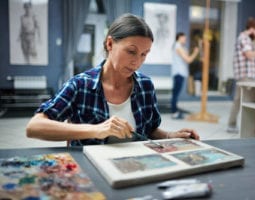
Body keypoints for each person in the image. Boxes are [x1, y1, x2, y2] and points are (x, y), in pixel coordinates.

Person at [26, 13, 200, 146]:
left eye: (143, 55)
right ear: (110, 44)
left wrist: (170, 136)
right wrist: (96, 129)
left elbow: (150, 130)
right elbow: (34, 127)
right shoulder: (80, 85)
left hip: (137, 169)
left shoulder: (145, 85)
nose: (137, 62)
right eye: (131, 51)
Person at [171, 32, 199, 119]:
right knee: (175, 94)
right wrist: (195, 52)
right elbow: (188, 60)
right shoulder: (178, 46)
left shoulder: (180, 46)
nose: (185, 39)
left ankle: (175, 111)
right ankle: (174, 112)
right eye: (184, 38)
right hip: (179, 73)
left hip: (180, 73)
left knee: (176, 93)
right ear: (179, 37)